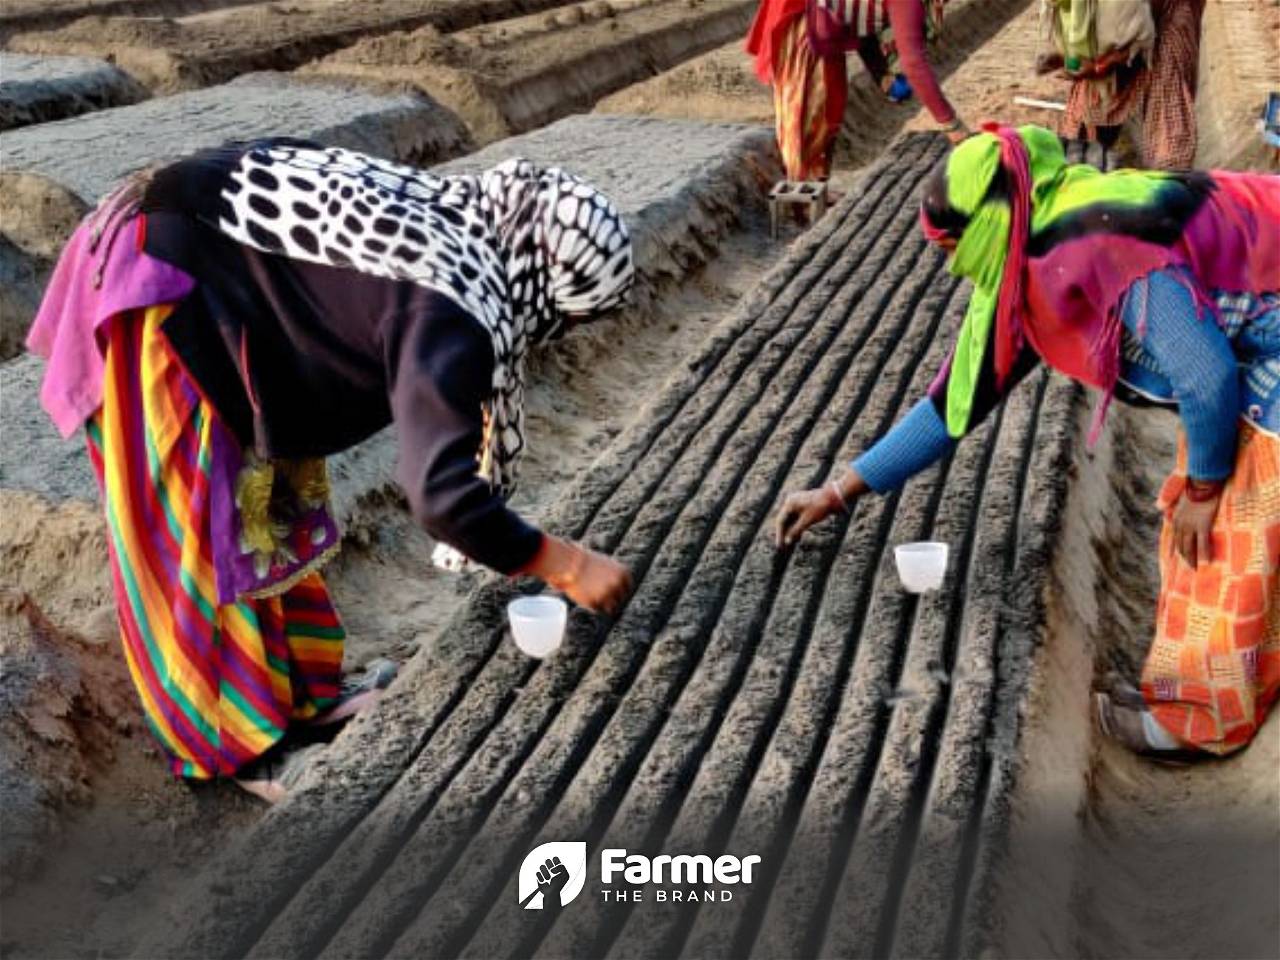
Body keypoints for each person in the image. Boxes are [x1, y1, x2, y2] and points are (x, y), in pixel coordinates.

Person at [27, 139, 636, 798]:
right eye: (569, 319)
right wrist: (567, 565)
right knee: (200, 535)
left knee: (266, 513)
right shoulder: (449, 307)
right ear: (546, 286)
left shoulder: (467, 230)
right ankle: (241, 749)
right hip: (163, 288)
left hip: (219, 275)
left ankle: (303, 698)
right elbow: (442, 498)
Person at [775, 124, 1280, 759]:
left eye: (952, 245)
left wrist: (1207, 488)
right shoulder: (1037, 254)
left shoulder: (1099, 244)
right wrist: (840, 490)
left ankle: (1200, 722)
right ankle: (1195, 689)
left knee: (1228, 525)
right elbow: (952, 407)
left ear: (990, 223)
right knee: (1205, 517)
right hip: (1259, 339)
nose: (952, 263)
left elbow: (1205, 375)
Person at [746, 0, 967, 184]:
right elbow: (913, 63)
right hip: (803, 19)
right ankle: (799, 197)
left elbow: (859, 19)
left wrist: (881, 75)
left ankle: (815, 187)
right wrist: (951, 124)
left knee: (831, 103)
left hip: (822, 18)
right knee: (810, 112)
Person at [1053, 0, 1206, 170]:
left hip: (1167, 18)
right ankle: (1084, 165)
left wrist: (1108, 61)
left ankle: (1168, 182)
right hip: (1112, 31)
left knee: (1169, 132)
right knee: (1091, 110)